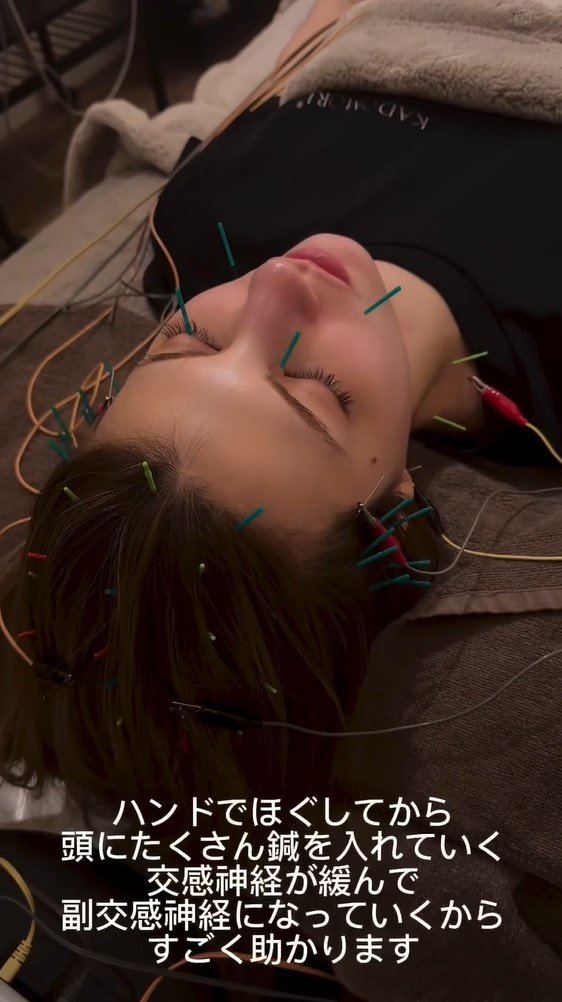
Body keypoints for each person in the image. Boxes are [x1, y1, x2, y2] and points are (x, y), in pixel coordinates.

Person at [0, 0, 561, 995]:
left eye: (191, 339)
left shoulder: (191, 228)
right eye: (315, 392)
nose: (274, 288)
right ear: (395, 500)